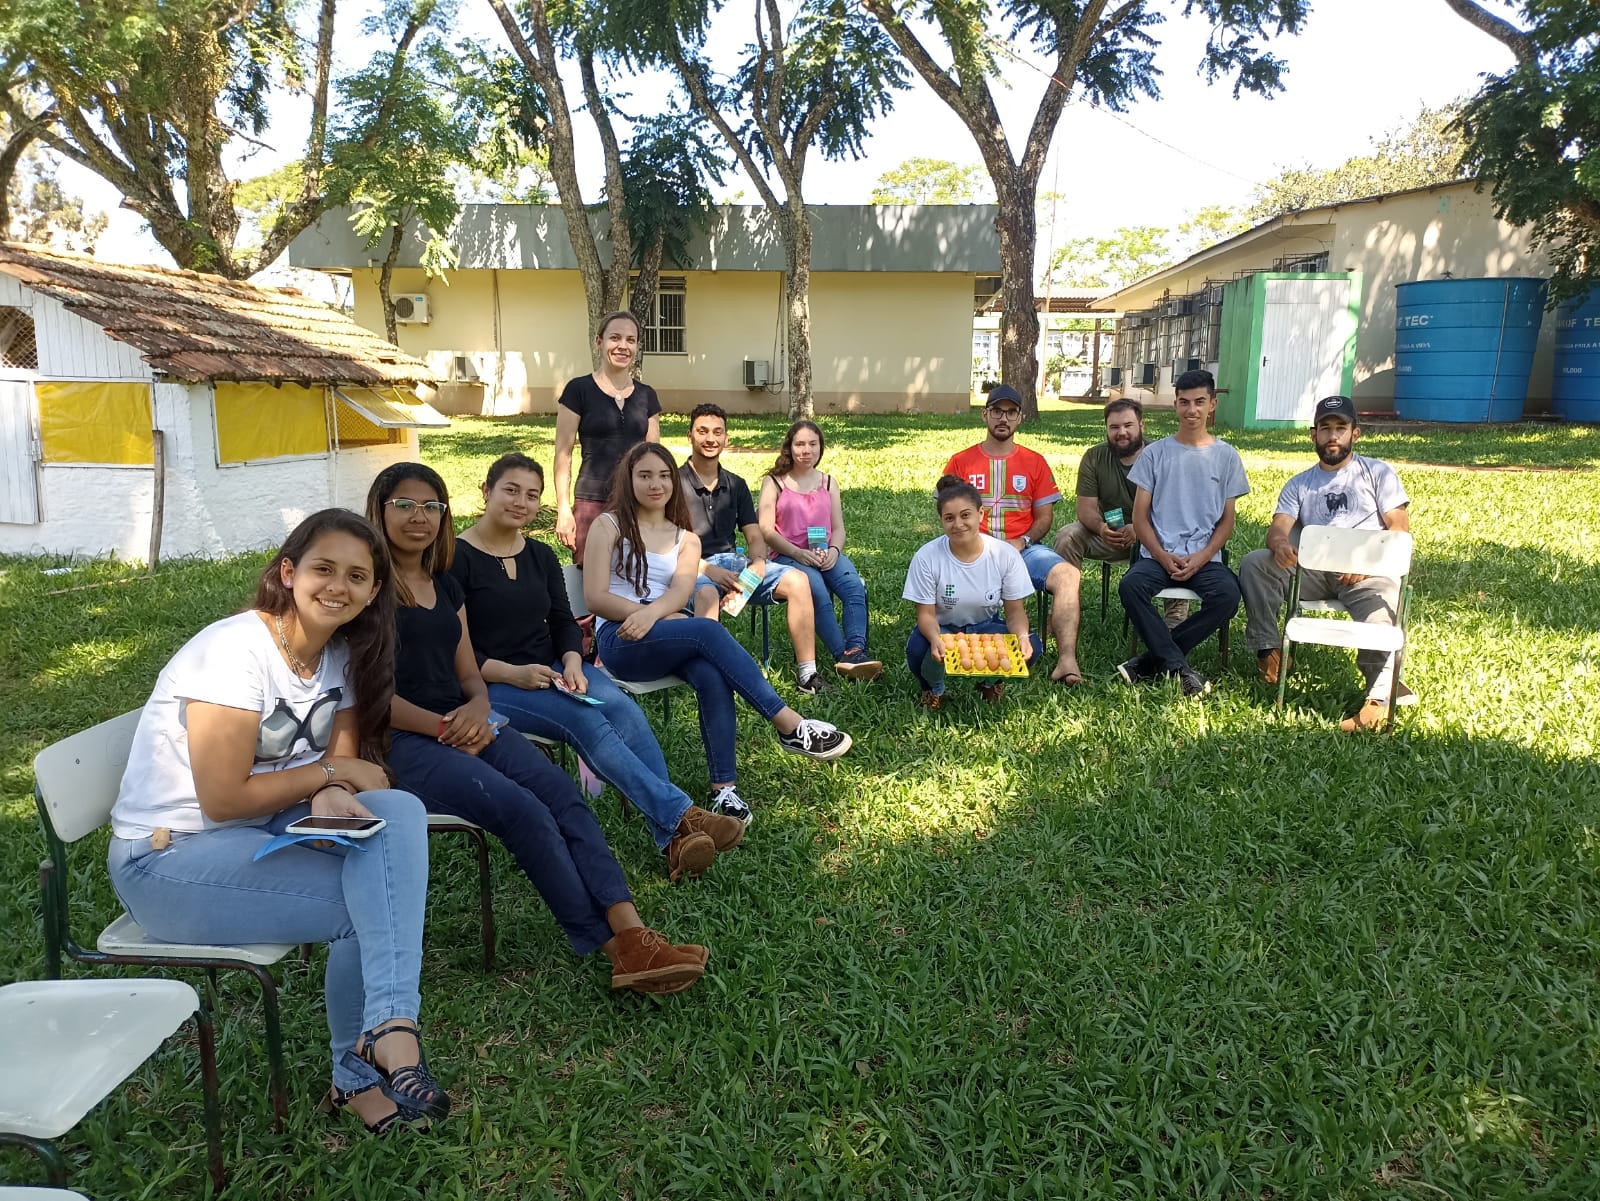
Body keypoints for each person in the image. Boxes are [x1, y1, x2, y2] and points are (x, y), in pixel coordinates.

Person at [107, 509, 448, 1136]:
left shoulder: (337, 653)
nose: (337, 586)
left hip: (258, 832)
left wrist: (332, 785)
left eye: (356, 576)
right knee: (368, 904)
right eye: (323, 569)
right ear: (288, 572)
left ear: (374, 590)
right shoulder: (232, 651)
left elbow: (341, 761)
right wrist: (329, 775)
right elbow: (223, 799)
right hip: (167, 859)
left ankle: (388, 1025)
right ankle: (361, 1069)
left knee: (400, 809)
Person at [368, 463, 708, 993]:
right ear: (380, 510)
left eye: (431, 506)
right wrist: (447, 725)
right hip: (406, 741)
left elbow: (466, 671)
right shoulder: (369, 589)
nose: (420, 517)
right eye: (405, 505)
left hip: (469, 720)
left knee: (563, 796)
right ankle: (614, 948)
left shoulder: (442, 583)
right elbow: (369, 697)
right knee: (524, 811)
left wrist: (478, 706)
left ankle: (632, 929)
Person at [452, 451, 746, 866]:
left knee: (626, 713)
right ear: (486, 490)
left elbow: (563, 621)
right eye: (511, 490)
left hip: (555, 669)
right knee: (586, 721)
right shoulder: (454, 558)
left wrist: (573, 661)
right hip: (489, 685)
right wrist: (511, 673)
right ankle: (684, 818)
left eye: (532, 495)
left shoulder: (539, 555)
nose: (521, 502)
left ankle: (673, 839)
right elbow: (452, 646)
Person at [585, 442, 854, 823]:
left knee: (711, 673)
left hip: (664, 630)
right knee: (705, 633)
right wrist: (646, 616)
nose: (655, 484)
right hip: (620, 639)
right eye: (644, 475)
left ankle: (724, 791)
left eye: (663, 476)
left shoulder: (686, 539)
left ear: (673, 483)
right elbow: (595, 597)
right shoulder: (609, 525)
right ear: (629, 480)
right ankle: (790, 724)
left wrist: (655, 616)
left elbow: (679, 592)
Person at [1238, 394, 1415, 731]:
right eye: (1325, 428)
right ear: (1313, 434)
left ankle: (1378, 701)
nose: (1333, 436)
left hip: (1368, 572)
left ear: (1355, 433)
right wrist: (1279, 545)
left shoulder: (1378, 473)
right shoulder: (1299, 484)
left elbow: (1398, 528)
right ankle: (1269, 653)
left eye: (1340, 428)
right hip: (1314, 571)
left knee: (1381, 609)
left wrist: (1370, 562)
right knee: (1255, 563)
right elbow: (1278, 528)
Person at [679, 404, 830, 694]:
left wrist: (758, 564)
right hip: (692, 567)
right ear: (690, 436)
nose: (710, 439)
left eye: (717, 432)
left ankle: (808, 675)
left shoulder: (736, 484)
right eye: (702, 431)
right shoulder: (673, 482)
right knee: (707, 594)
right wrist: (708, 570)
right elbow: (667, 544)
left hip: (735, 565)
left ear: (726, 438)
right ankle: (711, 680)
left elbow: (754, 534)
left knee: (798, 580)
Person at [1116, 369, 1249, 697]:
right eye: (1184, 402)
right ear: (1175, 404)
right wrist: (1161, 555)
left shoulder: (1227, 457)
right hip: (1158, 556)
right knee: (1131, 586)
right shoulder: (1155, 454)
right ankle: (1178, 668)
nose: (1192, 410)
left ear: (1212, 404)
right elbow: (1140, 518)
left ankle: (1149, 662)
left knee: (1228, 595)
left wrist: (1202, 557)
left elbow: (1227, 522)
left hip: (1204, 559)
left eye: (1199, 402)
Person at [942, 383, 1078, 683]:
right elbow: (948, 514)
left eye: (1011, 412)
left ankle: (1067, 660)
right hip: (973, 552)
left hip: (1023, 550)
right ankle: (976, 640)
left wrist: (1023, 541)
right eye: (997, 411)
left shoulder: (1034, 462)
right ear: (985, 415)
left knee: (1068, 575)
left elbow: (1044, 518)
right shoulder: (960, 462)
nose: (1003, 418)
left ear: (1020, 418)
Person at [1051, 398, 1189, 683]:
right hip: (1110, 536)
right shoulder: (1095, 457)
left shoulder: (1162, 456)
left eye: (1128, 425)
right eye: (1114, 427)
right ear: (1106, 429)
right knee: (1067, 536)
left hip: (1156, 539)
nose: (1121, 432)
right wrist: (1102, 528)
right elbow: (1085, 509)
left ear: (1141, 425)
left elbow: (1175, 510)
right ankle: (1065, 614)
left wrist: (1140, 529)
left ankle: (1174, 621)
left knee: (1177, 539)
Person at [756, 420, 883, 680]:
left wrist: (835, 550)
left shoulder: (828, 482)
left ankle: (857, 650)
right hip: (789, 555)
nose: (806, 450)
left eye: (812, 444)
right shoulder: (774, 482)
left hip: (825, 553)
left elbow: (838, 528)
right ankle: (843, 658)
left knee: (854, 588)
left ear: (820, 447)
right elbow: (766, 531)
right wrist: (798, 553)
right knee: (817, 592)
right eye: (800, 444)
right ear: (789, 447)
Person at [904, 475, 1044, 709]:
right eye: (949, 518)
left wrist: (1021, 636)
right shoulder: (927, 557)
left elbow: (1015, 612)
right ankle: (932, 688)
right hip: (944, 627)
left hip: (986, 625)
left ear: (980, 514)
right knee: (918, 649)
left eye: (965, 515)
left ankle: (990, 682)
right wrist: (936, 638)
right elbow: (926, 614)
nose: (958, 524)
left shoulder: (1004, 555)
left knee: (1032, 647)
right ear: (941, 520)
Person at [553, 310, 661, 565]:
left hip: (635, 502)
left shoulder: (647, 396)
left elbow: (654, 459)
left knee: (636, 573)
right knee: (589, 574)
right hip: (591, 501)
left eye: (630, 340)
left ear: (637, 346)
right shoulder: (578, 390)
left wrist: (656, 508)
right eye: (615, 338)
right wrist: (564, 510)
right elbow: (563, 454)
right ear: (599, 342)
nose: (623, 346)